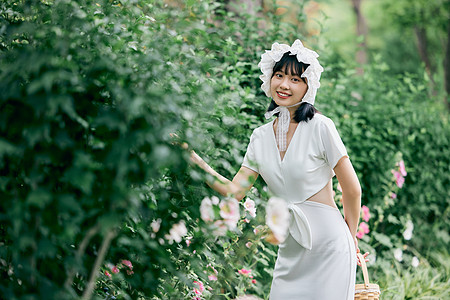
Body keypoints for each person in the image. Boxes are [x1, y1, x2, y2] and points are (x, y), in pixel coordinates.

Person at [187, 40, 368, 299]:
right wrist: (194, 160)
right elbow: (234, 191)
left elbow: (352, 189)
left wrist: (351, 239)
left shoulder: (321, 127)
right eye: (279, 75)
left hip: (330, 247)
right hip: (291, 247)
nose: (284, 85)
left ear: (308, 86)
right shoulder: (259, 137)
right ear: (269, 79)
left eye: (295, 79)